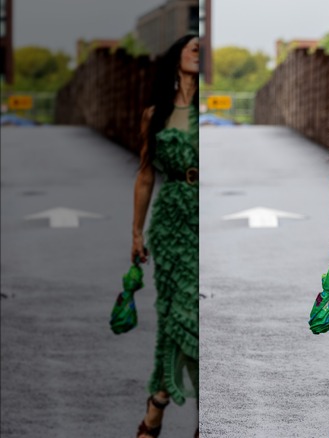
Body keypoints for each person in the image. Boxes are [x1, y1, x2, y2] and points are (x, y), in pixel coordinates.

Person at [131, 34, 199, 438]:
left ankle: (158, 401)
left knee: (187, 315)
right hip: (171, 218)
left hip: (202, 213)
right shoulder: (155, 114)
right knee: (176, 311)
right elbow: (144, 175)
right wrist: (136, 232)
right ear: (177, 58)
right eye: (195, 48)